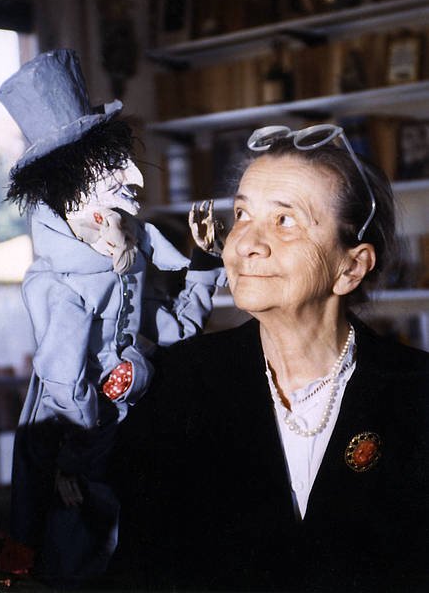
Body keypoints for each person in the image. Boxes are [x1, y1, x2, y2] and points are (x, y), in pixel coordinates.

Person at [111, 124, 429, 592]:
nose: (245, 243)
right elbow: (139, 571)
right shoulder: (180, 382)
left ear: (351, 267)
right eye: (242, 214)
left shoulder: (416, 394)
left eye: (285, 220)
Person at [0, 49, 225, 587]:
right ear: (71, 187)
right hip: (81, 446)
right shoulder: (58, 285)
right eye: (109, 168)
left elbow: (170, 329)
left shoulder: (132, 248)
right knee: (82, 549)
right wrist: (73, 459)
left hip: (130, 427)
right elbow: (65, 387)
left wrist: (203, 267)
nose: (131, 178)